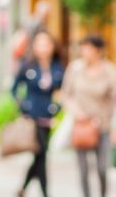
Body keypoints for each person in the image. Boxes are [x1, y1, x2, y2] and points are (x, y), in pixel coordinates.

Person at [11, 30, 65, 197]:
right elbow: (13, 89)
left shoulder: (58, 67)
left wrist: (58, 108)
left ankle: (23, 188)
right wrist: (22, 106)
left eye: (46, 43)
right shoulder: (28, 66)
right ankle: (45, 193)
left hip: (47, 117)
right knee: (41, 155)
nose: (43, 48)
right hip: (31, 117)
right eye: (39, 43)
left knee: (39, 156)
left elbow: (65, 91)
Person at [62, 35, 116, 197]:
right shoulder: (75, 68)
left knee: (101, 167)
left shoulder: (109, 71)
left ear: (98, 51)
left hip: (102, 125)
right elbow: (65, 95)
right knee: (83, 168)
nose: (84, 51)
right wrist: (76, 112)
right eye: (82, 47)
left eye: (88, 48)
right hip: (82, 126)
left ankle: (103, 194)